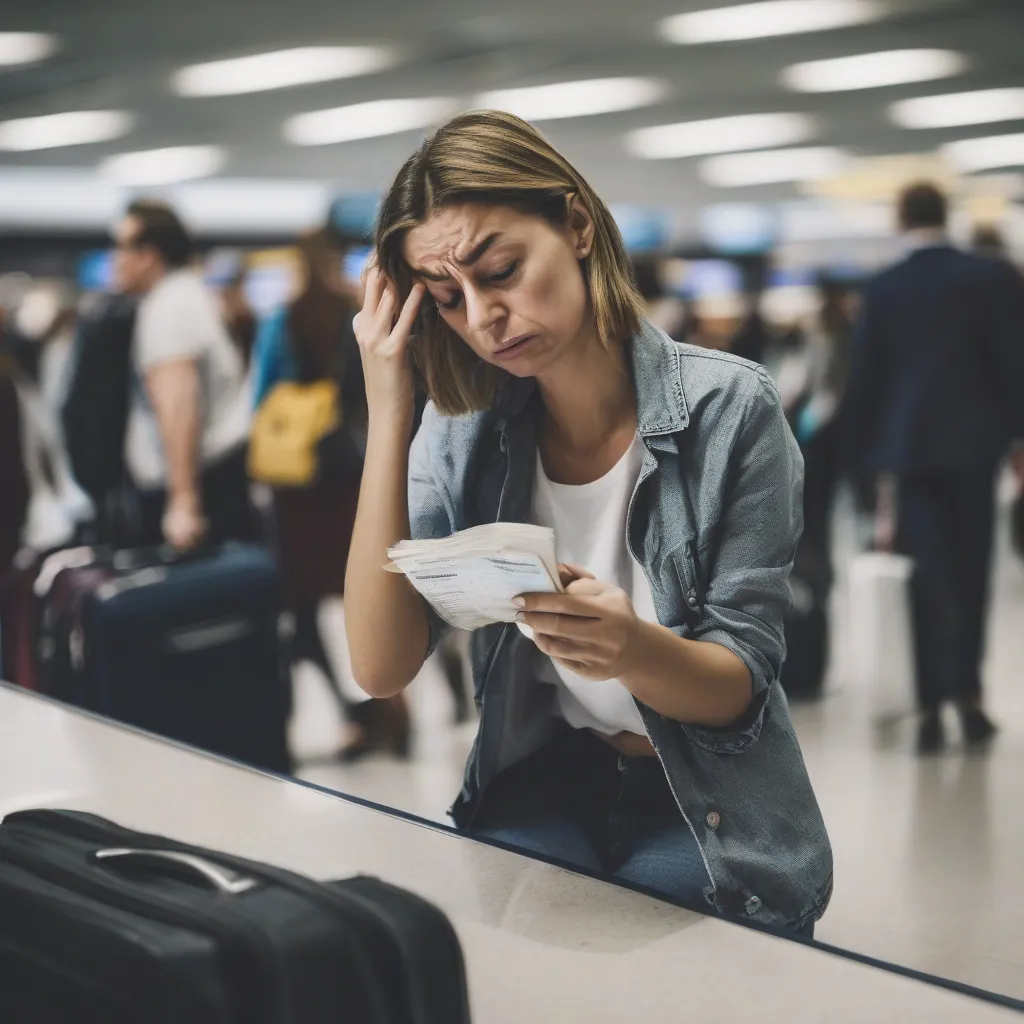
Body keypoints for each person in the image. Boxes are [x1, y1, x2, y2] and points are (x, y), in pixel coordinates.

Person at [345, 111, 832, 932]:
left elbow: (739, 687)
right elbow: (380, 665)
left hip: (705, 801)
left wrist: (630, 648)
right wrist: (390, 410)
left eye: (499, 271)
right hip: (546, 780)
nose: (482, 317)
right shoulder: (464, 431)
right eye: (445, 299)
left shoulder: (728, 408)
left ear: (575, 224)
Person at [845, 183, 1024, 753]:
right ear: (946, 216)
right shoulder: (992, 279)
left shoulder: (884, 287)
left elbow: (865, 383)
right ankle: (968, 695)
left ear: (901, 217)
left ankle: (926, 703)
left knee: (923, 575)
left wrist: (864, 467)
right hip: (975, 450)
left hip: (909, 455)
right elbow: (1013, 365)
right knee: (972, 569)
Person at [251, 227, 410, 761]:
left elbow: (264, 391)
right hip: (349, 472)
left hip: (297, 481)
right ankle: (393, 708)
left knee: (299, 603)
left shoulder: (283, 318)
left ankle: (351, 710)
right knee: (367, 592)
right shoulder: (354, 317)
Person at [113, 200, 252, 550]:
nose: (116, 259)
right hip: (216, 477)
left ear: (150, 255)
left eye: (122, 247)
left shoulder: (169, 307)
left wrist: (182, 502)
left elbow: (179, 407)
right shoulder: (186, 294)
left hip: (204, 484)